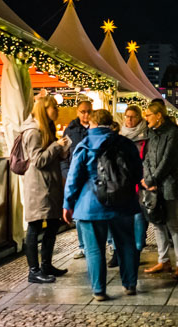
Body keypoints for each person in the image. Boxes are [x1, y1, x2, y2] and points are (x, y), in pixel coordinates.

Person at [63, 109, 143, 301]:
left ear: (92, 123)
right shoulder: (126, 144)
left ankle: (99, 290)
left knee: (94, 249)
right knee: (126, 244)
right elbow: (138, 172)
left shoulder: (84, 145)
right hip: (123, 202)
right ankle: (130, 284)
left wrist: (68, 203)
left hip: (91, 204)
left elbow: (73, 178)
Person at [21, 96, 71, 283]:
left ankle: (46, 265)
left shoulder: (46, 128)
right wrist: (55, 146)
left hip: (49, 185)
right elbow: (38, 160)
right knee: (34, 226)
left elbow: (48, 158)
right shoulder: (33, 131)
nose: (57, 110)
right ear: (44, 109)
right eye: (54, 107)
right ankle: (33, 271)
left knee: (52, 225)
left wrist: (62, 150)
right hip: (38, 186)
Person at [141, 101, 178, 279]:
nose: (146, 118)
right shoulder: (151, 132)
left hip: (169, 184)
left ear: (158, 115)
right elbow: (146, 156)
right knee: (157, 222)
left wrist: (153, 179)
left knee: (171, 222)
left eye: (148, 115)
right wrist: (148, 178)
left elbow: (168, 160)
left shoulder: (172, 131)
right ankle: (164, 260)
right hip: (153, 184)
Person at [106, 106, 150, 268]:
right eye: (127, 116)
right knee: (117, 217)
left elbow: (147, 159)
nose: (129, 120)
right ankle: (117, 251)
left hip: (139, 182)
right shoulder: (119, 136)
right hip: (120, 183)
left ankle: (136, 250)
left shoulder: (146, 135)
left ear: (139, 118)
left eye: (132, 117)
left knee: (138, 217)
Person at [64, 100, 93, 259]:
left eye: (88, 111)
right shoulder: (70, 130)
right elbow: (64, 155)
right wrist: (67, 173)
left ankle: (109, 244)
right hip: (76, 177)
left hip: (93, 177)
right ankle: (82, 247)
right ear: (77, 111)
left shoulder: (96, 128)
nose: (86, 115)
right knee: (78, 214)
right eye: (83, 111)